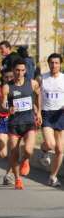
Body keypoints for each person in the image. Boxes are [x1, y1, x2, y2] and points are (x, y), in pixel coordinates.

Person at [0, 59, 41, 190]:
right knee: (13, 153)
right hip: (14, 124)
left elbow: (38, 95)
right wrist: (8, 109)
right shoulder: (7, 87)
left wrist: (39, 112)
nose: (20, 73)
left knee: (28, 150)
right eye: (17, 70)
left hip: (29, 122)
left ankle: (25, 161)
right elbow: (3, 104)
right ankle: (17, 179)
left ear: (26, 71)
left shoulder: (32, 83)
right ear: (13, 70)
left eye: (22, 70)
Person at [38, 53, 64, 187]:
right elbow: (37, 96)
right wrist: (38, 112)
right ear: (48, 64)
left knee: (60, 150)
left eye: (56, 63)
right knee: (51, 144)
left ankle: (53, 177)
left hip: (61, 114)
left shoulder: (63, 79)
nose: (54, 65)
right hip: (47, 114)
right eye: (52, 63)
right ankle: (44, 150)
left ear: (60, 64)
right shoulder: (42, 78)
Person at [0, 68, 15, 185]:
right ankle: (13, 165)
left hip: (15, 120)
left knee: (13, 148)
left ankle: (9, 174)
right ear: (3, 77)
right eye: (7, 77)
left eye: (11, 77)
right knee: (2, 153)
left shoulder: (19, 88)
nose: (9, 79)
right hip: (2, 119)